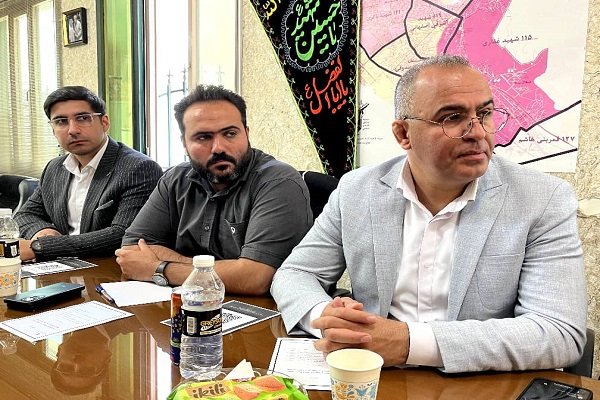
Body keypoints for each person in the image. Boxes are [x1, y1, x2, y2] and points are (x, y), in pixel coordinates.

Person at [271, 55, 587, 373]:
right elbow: (296, 273)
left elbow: (559, 332)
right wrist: (328, 320)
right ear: (403, 134)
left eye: (485, 114)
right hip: (376, 377)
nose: (478, 132)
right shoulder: (357, 190)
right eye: (452, 118)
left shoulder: (542, 199)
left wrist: (407, 343)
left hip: (478, 382)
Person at [116, 85, 312, 295]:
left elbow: (255, 278)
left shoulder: (278, 182)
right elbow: (132, 249)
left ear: (246, 134)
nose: (219, 147)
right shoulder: (175, 179)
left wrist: (160, 268)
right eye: (203, 137)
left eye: (230, 133)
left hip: (257, 311)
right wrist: (227, 269)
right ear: (184, 143)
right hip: (184, 304)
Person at [15, 86, 163, 261]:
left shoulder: (138, 168)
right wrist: (42, 232)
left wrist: (41, 246)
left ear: (104, 122)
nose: (73, 130)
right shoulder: (54, 168)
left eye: (83, 118)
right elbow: (25, 215)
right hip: (61, 266)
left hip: (109, 269)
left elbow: (122, 234)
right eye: (61, 121)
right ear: (53, 130)